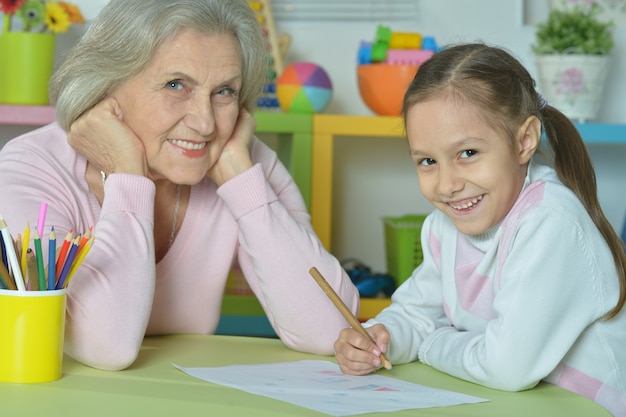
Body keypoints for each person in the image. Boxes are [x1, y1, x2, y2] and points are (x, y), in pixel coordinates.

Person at [0, 0, 359, 371]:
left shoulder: (242, 160)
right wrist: (128, 175)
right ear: (106, 86)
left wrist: (242, 180)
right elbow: (106, 345)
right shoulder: (32, 167)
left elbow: (332, 329)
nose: (205, 124)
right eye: (176, 85)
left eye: (224, 92)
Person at [333, 43, 626, 416]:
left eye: (467, 153)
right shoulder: (444, 225)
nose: (447, 184)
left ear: (524, 141)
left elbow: (507, 366)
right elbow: (418, 314)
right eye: (427, 161)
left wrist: (430, 344)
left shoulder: (550, 222)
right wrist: (379, 339)